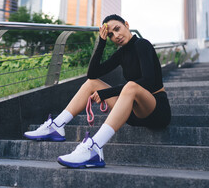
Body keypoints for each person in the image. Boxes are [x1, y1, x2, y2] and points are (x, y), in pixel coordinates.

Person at [24, 14, 171, 168]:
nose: (116, 36)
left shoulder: (142, 44)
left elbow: (148, 81)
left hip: (156, 111)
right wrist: (101, 42)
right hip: (133, 112)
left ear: (126, 25)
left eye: (117, 29)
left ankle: (94, 148)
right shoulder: (121, 53)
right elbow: (92, 74)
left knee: (131, 86)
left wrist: (106, 94)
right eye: (110, 35)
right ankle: (56, 126)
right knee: (92, 83)